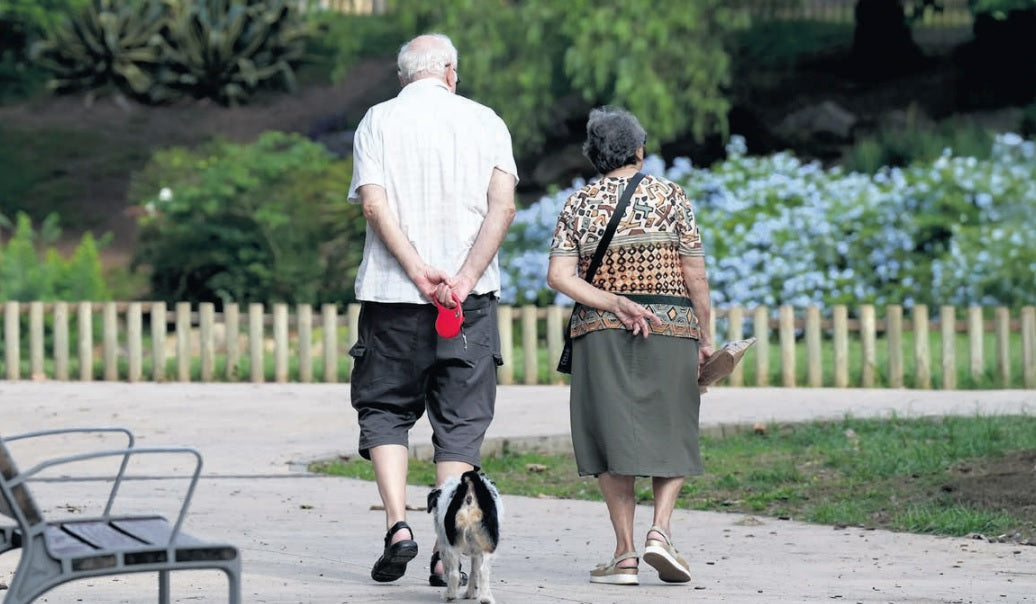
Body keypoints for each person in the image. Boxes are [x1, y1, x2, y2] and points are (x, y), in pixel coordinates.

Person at [346, 33, 518, 586]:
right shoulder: (487, 121)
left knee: (385, 410)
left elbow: (373, 204)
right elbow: (504, 206)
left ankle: (398, 526)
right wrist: (463, 277)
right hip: (467, 303)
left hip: (393, 298)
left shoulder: (377, 120)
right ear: (450, 72)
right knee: (460, 424)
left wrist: (419, 272)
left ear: (404, 77)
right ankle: (448, 550)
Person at [546, 107, 713, 586]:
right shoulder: (672, 196)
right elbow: (694, 275)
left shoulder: (579, 203)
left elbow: (560, 276)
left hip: (599, 332)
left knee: (610, 436)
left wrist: (612, 301)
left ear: (596, 155)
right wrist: (705, 336)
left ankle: (624, 554)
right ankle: (659, 532)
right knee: (674, 427)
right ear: (640, 151)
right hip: (670, 325)